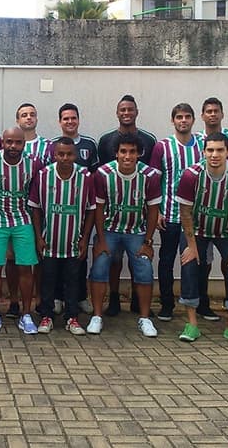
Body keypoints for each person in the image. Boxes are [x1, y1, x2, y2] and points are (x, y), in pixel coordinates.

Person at [176, 133, 228, 344]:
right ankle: (191, 324)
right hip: (198, 230)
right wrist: (191, 246)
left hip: (227, 231)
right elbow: (185, 212)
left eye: (220, 150)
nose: (215, 154)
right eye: (210, 150)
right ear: (203, 152)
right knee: (190, 264)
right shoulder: (192, 175)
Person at [89, 133, 162, 338]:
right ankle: (97, 316)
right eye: (123, 151)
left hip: (137, 231)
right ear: (116, 153)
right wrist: (101, 240)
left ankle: (145, 318)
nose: (127, 156)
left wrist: (148, 241)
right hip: (110, 230)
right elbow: (98, 209)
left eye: (132, 151)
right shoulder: (103, 174)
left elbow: (153, 210)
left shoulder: (150, 175)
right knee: (100, 264)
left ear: (139, 153)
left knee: (144, 268)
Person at [95, 95, 156, 316]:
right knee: (113, 260)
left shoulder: (149, 140)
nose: (127, 113)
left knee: (137, 257)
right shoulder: (105, 140)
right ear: (117, 112)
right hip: (113, 213)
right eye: (123, 110)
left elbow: (153, 176)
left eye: (130, 109)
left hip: (137, 214)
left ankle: (135, 299)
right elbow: (101, 177)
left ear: (136, 112)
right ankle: (112, 298)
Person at [0, 127, 44, 335]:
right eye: (9, 142)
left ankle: (26, 314)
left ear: (24, 144)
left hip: (23, 219)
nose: (13, 146)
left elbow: (35, 195)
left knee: (26, 267)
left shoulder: (33, 163)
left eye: (17, 142)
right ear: (2, 142)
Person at [28, 137, 96, 336]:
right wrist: (38, 237)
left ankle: (72, 318)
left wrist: (85, 238)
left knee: (73, 281)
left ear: (75, 155)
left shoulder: (85, 176)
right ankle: (47, 317)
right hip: (49, 241)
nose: (65, 158)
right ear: (54, 154)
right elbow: (36, 209)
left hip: (74, 242)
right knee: (48, 280)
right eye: (61, 154)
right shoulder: (43, 175)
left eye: (69, 154)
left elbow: (92, 209)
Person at [149, 103, 201, 323]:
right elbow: (154, 179)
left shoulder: (203, 145)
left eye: (187, 116)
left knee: (193, 260)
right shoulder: (163, 146)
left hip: (194, 216)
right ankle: (167, 304)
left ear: (193, 120)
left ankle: (197, 302)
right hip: (169, 214)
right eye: (179, 117)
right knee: (166, 259)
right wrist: (157, 210)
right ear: (173, 120)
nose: (183, 120)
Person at [54, 103, 99, 318]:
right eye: (65, 118)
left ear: (78, 120)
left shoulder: (90, 144)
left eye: (73, 118)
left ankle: (81, 297)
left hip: (80, 213)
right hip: (58, 213)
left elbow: (95, 177)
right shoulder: (53, 145)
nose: (70, 122)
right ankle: (58, 297)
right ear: (60, 122)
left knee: (80, 257)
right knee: (56, 259)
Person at [193, 97, 228, 322]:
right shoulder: (195, 140)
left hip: (226, 216)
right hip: (200, 213)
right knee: (202, 262)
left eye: (216, 111)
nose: (212, 114)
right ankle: (201, 303)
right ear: (202, 115)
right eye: (208, 111)